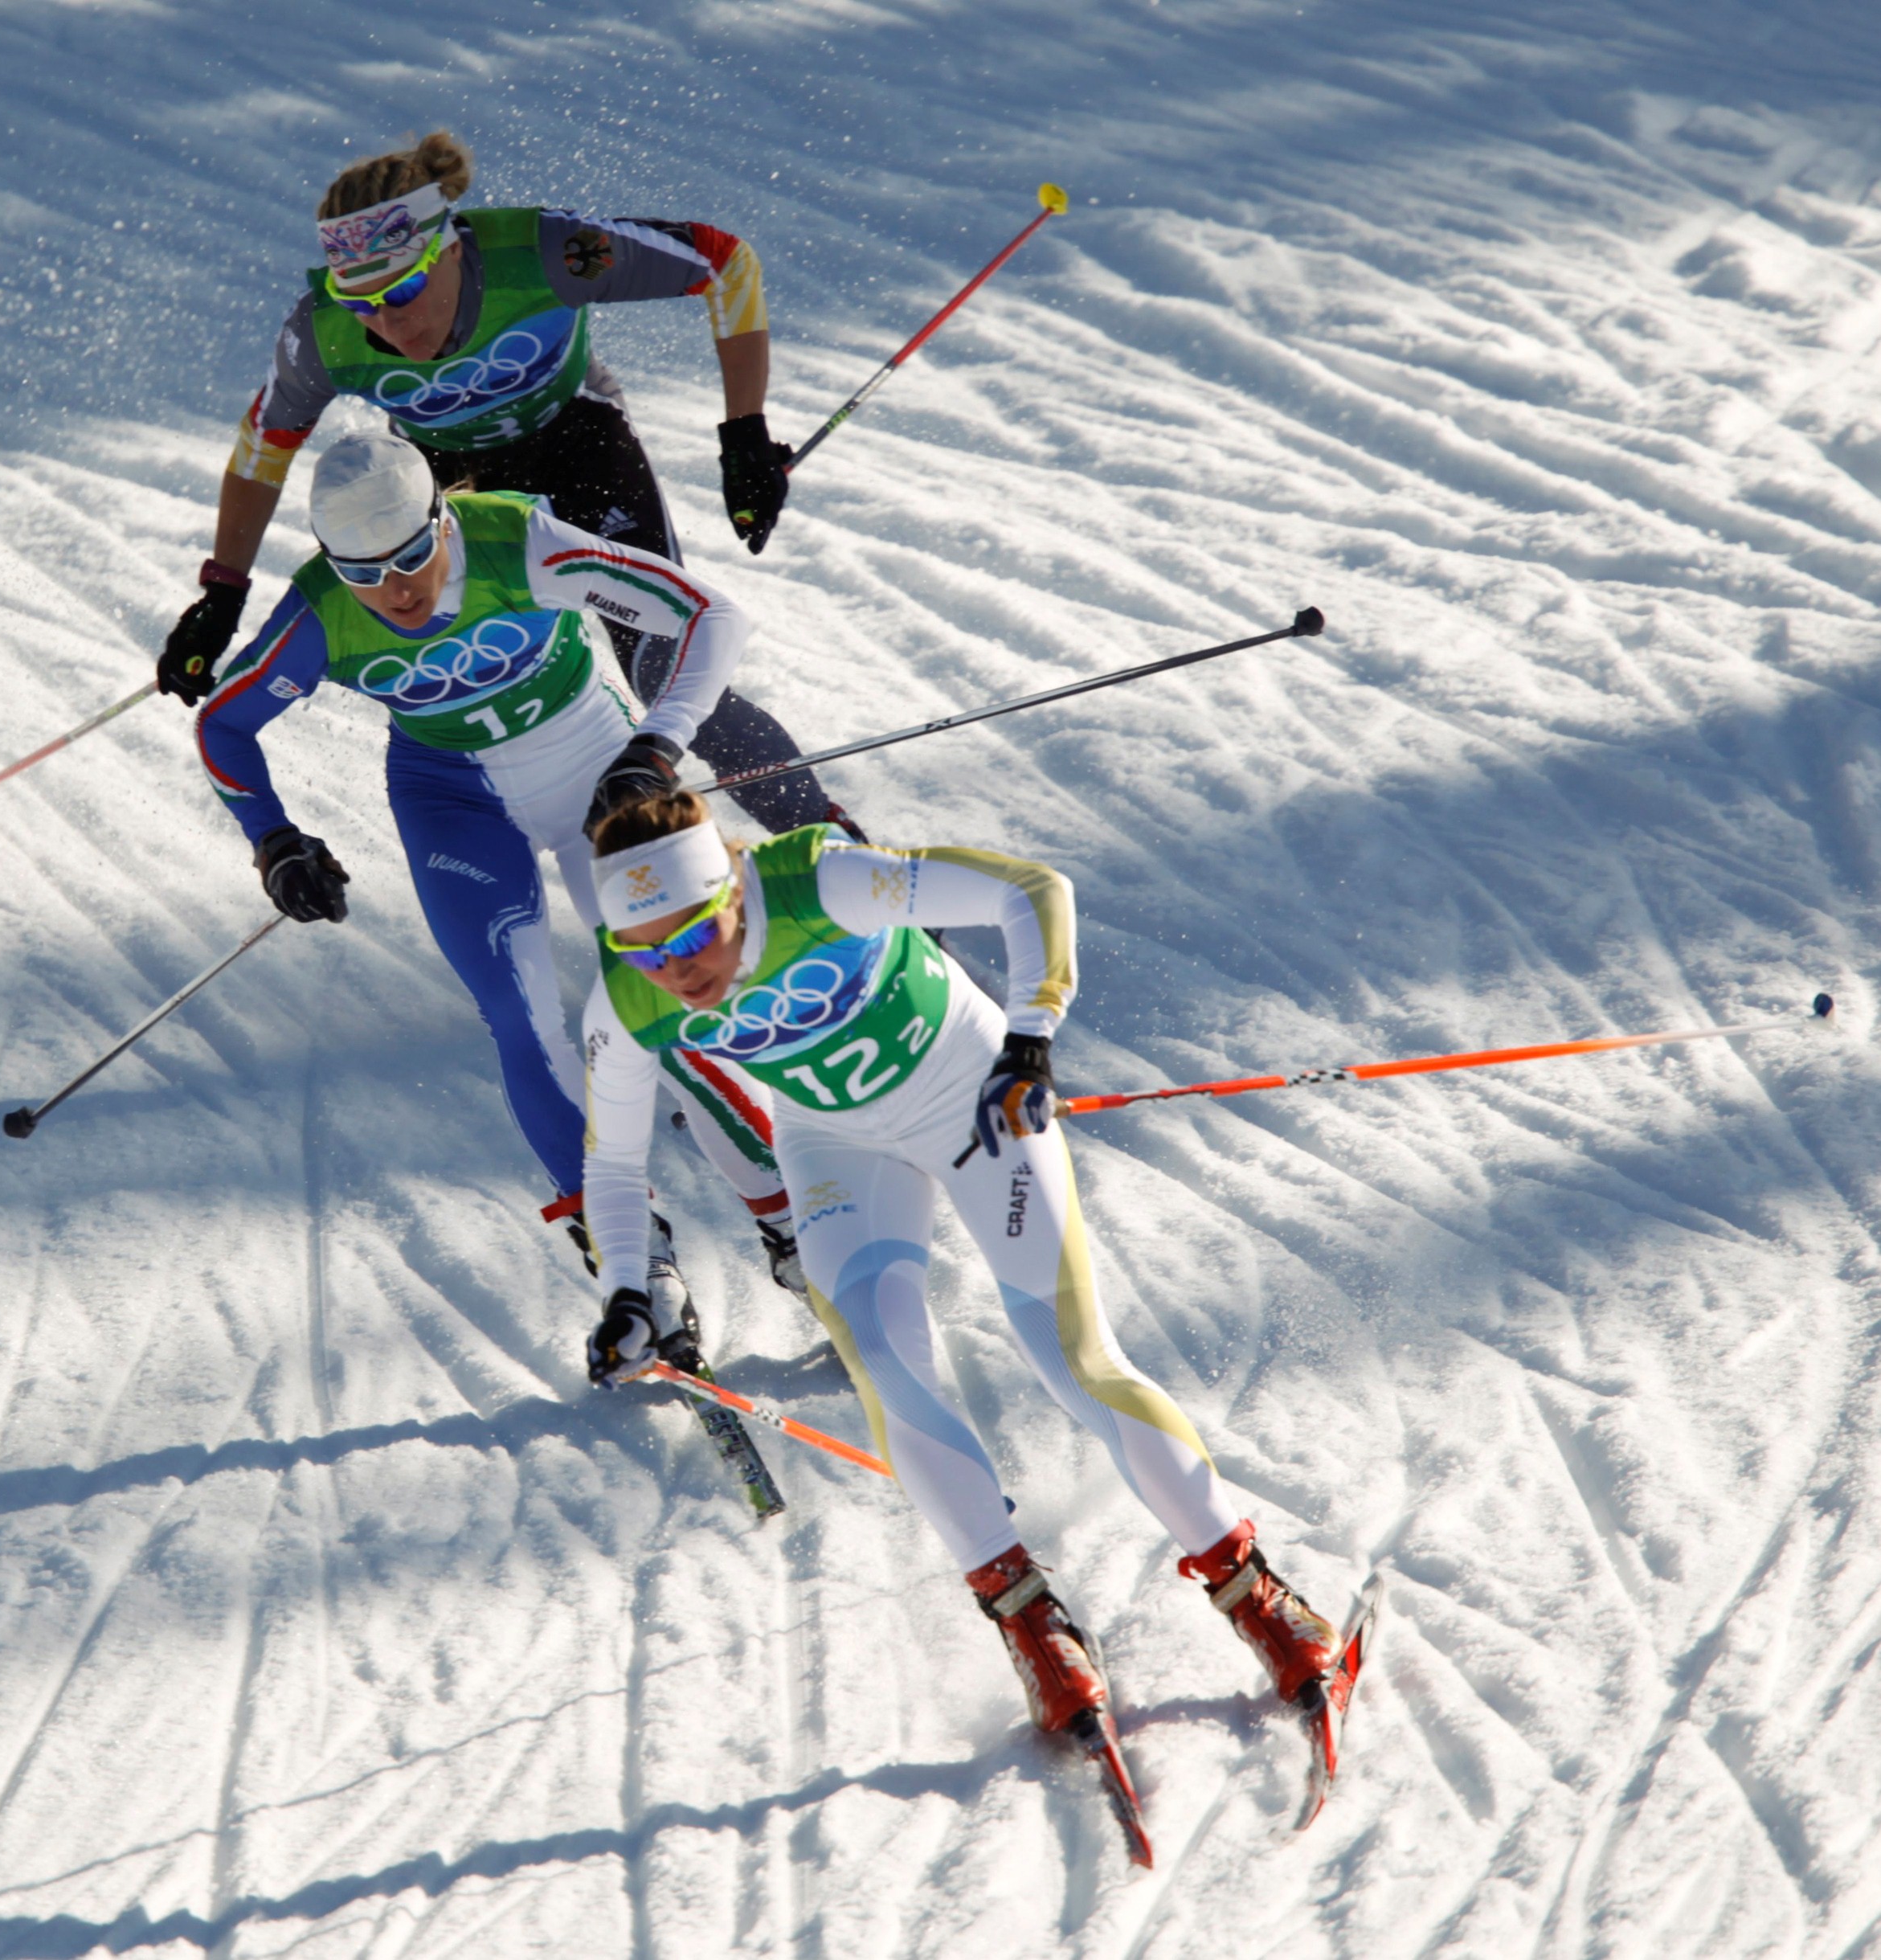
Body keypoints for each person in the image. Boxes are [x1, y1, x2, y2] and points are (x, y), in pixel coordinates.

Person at [573, 788, 1357, 1754]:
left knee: (1071, 1355)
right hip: (832, 1147)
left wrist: (1030, 1034)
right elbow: (609, 1161)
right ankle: (1031, 1623)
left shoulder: (818, 883)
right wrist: (622, 1286)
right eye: (645, 949)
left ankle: (1257, 1595)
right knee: (887, 1367)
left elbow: (1029, 890)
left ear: (731, 887)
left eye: (691, 935)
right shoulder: (628, 995)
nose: (676, 969)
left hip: (970, 1098)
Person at [197, 429, 803, 1303]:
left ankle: (788, 1220)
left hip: (595, 767)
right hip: (453, 802)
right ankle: (633, 1266)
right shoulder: (320, 609)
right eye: (366, 572)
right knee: (520, 1023)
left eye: (410, 555)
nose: (396, 590)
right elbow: (223, 723)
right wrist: (274, 840)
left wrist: (655, 745)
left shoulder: (515, 540)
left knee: (669, 984)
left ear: (442, 520)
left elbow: (713, 614)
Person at [157, 130, 844, 837]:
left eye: (405, 290)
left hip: (578, 442)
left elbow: (723, 261)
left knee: (664, 665)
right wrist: (222, 591)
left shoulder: (545, 253)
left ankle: (826, 842)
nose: (390, 324)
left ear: (450, 246)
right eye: (361, 305)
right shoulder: (321, 332)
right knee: (494, 674)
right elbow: (262, 449)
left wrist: (744, 436)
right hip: (452, 486)